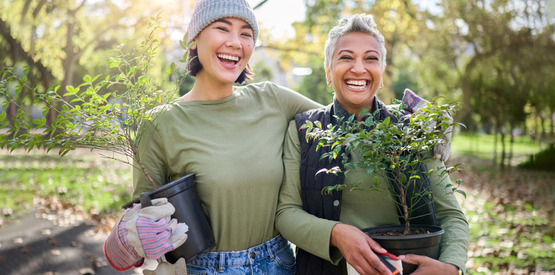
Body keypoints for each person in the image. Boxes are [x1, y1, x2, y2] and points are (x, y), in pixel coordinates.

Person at [103, 1, 444, 273]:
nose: (235, 42)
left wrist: (417, 122)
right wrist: (127, 242)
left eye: (246, 33)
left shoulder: (274, 99)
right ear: (195, 39)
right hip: (204, 269)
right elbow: (143, 218)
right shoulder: (160, 124)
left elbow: (351, 117)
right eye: (222, 28)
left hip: (280, 263)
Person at [275, 13, 469, 275]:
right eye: (346, 57)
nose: (358, 68)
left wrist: (450, 267)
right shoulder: (303, 130)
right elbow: (286, 212)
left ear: (382, 72)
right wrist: (336, 234)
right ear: (328, 72)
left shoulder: (412, 128)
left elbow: (451, 214)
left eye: (370, 58)